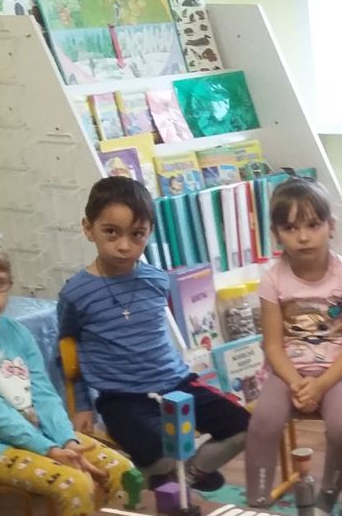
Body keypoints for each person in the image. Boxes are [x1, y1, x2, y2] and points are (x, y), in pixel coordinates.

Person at [57, 176, 249, 489]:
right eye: (111, 232)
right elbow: (67, 350)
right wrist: (81, 405)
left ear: (149, 232)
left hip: (176, 382)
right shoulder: (75, 293)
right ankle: (168, 475)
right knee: (161, 454)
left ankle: (189, 473)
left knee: (245, 427)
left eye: (137, 234)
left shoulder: (157, 281)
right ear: (88, 228)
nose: (124, 245)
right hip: (122, 398)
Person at [0, 235, 133, 516]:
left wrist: (67, 440)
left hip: (47, 437)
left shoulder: (17, 333)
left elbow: (43, 394)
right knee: (75, 483)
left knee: (123, 471)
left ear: (9, 283)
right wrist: (49, 449)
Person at [242, 177, 342, 514]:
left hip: (339, 372)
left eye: (313, 225)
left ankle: (327, 494)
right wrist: (297, 382)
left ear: (331, 226)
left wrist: (321, 385)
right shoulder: (273, 279)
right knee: (263, 422)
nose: (303, 236)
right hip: (288, 372)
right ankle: (257, 500)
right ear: (276, 233)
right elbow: (272, 346)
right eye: (290, 228)